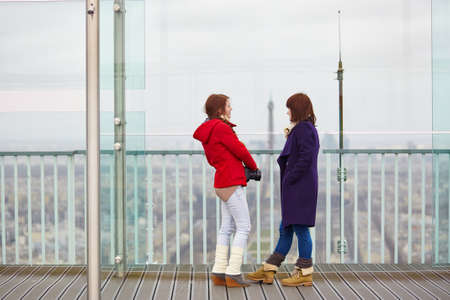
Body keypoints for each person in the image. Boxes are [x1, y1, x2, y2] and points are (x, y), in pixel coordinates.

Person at [247, 93, 320, 287]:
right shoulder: (303, 129)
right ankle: (270, 269)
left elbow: (306, 158)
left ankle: (304, 272)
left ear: (297, 109)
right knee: (286, 228)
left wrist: (290, 177)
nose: (287, 111)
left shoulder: (304, 129)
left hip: (299, 188)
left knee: (300, 229)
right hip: (298, 186)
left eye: (289, 108)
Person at [193, 94, 259, 288]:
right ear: (220, 110)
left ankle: (219, 271)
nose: (231, 109)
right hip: (232, 181)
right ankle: (233, 272)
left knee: (226, 228)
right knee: (244, 227)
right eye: (228, 106)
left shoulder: (209, 130)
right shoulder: (221, 128)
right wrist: (253, 167)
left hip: (221, 181)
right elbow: (240, 150)